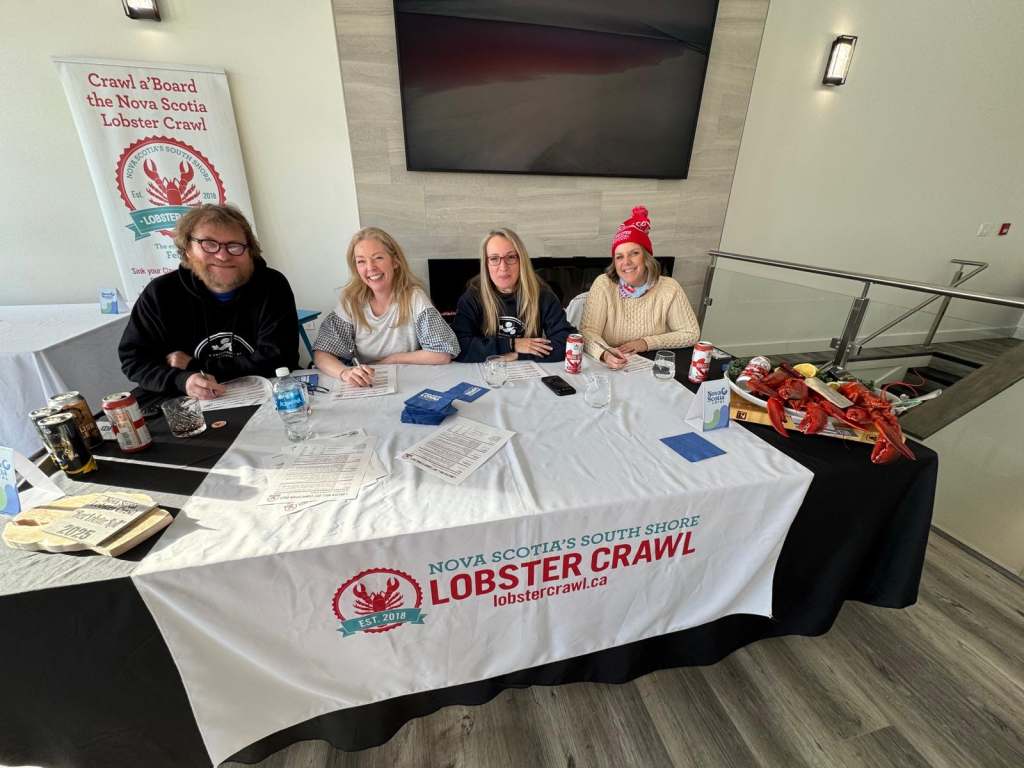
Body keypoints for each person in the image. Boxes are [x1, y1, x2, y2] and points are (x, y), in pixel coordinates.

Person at [119, 204, 299, 398]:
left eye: (234, 246)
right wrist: (183, 380)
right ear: (188, 248)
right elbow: (134, 360)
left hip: (266, 394)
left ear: (249, 251)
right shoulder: (160, 293)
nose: (222, 255)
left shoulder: (272, 285)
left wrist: (194, 365)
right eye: (209, 244)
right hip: (186, 399)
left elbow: (279, 358)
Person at [313, 227, 458, 387]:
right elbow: (321, 354)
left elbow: (443, 353)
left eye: (378, 258)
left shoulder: (414, 297)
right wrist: (345, 373)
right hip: (368, 385)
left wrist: (392, 359)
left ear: (395, 261)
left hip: (409, 382)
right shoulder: (350, 302)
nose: (370, 267)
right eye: (361, 261)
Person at [580, 206, 699, 370]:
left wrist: (646, 343)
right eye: (619, 257)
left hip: (649, 364)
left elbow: (690, 333)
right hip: (610, 363)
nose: (626, 262)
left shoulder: (669, 287)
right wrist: (605, 353)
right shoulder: (604, 284)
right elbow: (587, 332)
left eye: (634, 253)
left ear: (647, 257)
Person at [453, 228, 575, 363]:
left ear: (521, 260)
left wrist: (518, 355)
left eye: (511, 257)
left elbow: (568, 342)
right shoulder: (473, 296)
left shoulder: (543, 294)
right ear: (486, 264)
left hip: (528, 370)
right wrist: (512, 344)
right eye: (494, 258)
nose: (503, 267)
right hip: (485, 371)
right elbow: (457, 346)